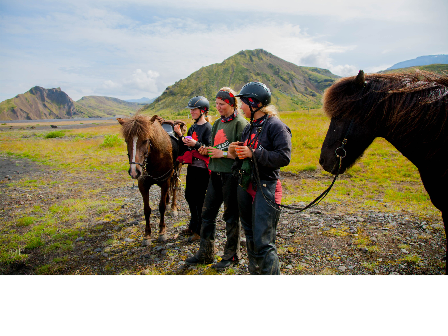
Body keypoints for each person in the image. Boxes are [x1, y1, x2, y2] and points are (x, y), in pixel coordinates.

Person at [229, 82, 292, 276]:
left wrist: (253, 152)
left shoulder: (276, 126)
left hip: (266, 186)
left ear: (253, 102)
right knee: (249, 234)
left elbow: (284, 157)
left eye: (243, 103)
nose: (241, 108)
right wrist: (235, 153)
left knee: (264, 241)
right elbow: (246, 155)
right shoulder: (250, 127)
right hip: (246, 185)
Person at [185, 87, 248, 270]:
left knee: (230, 216)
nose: (218, 107)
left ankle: (231, 256)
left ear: (230, 103)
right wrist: (206, 150)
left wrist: (223, 154)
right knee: (207, 214)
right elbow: (214, 148)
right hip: (215, 173)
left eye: (221, 104)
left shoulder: (240, 123)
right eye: (216, 104)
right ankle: (205, 253)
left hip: (231, 175)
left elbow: (243, 153)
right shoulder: (218, 123)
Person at [174, 96, 212, 242]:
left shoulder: (208, 128)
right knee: (190, 196)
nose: (192, 112)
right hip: (192, 168)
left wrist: (196, 144)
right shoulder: (193, 127)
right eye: (191, 109)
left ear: (203, 111)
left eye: (194, 109)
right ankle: (193, 225)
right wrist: (180, 136)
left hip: (203, 170)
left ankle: (199, 231)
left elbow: (208, 147)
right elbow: (186, 146)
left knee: (199, 199)